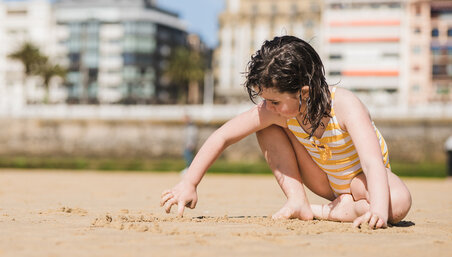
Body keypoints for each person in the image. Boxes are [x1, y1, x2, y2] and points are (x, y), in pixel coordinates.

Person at [161, 36, 412, 229]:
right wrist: (189, 182)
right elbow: (224, 135)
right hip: (325, 180)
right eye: (265, 100)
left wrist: (378, 210)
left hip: (366, 179)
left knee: (399, 202)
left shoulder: (346, 106)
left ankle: (323, 211)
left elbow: (371, 163)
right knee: (266, 127)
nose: (268, 107)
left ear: (303, 92)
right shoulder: (277, 112)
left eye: (275, 101)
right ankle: (298, 200)